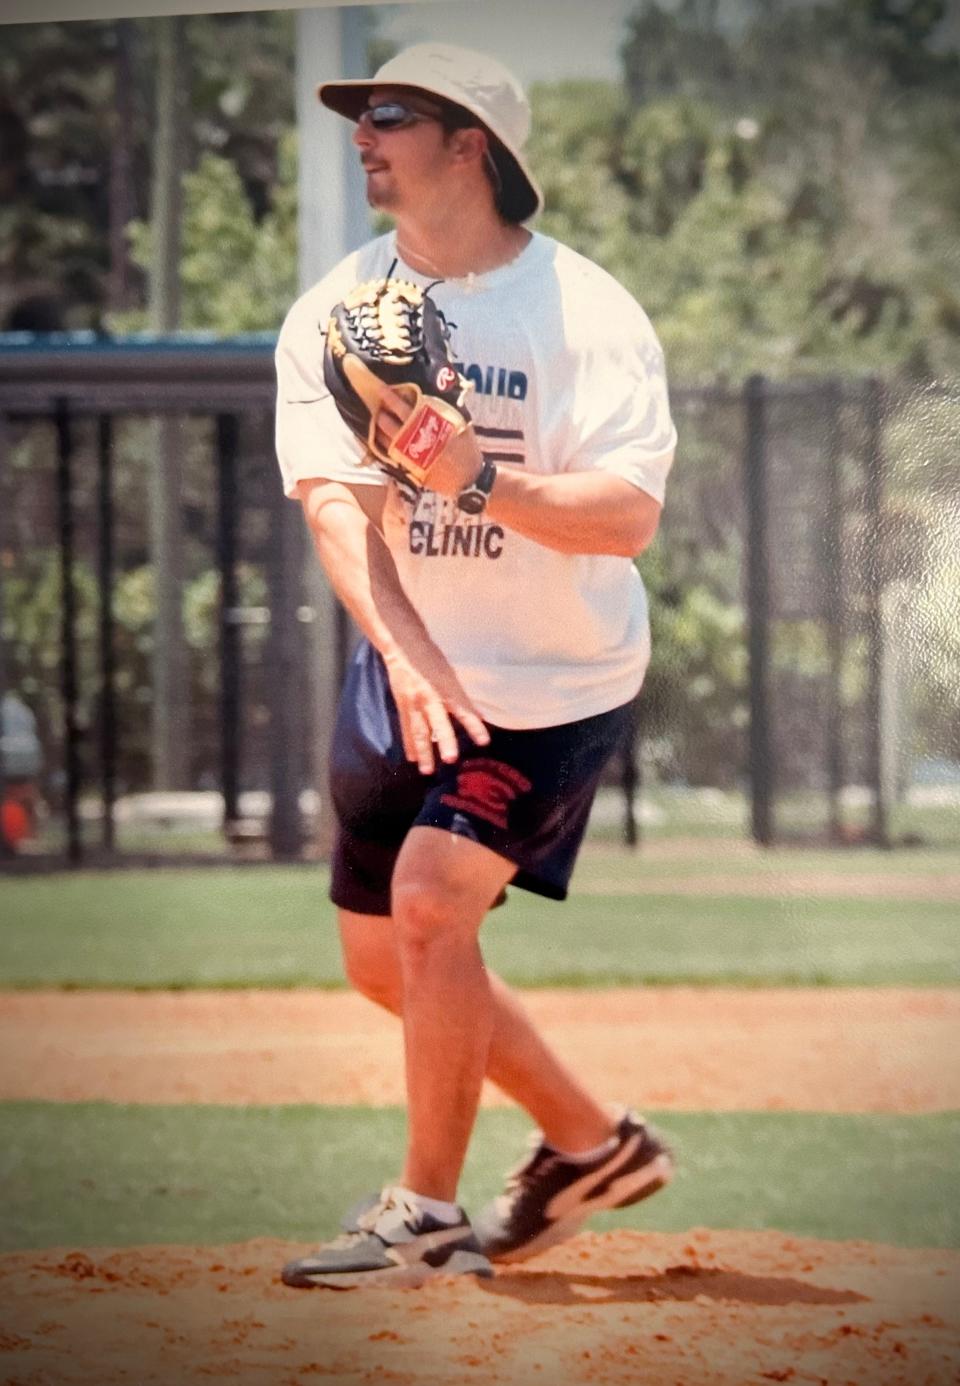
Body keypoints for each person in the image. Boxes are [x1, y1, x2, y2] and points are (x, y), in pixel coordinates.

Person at [274, 42, 678, 1290]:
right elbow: (335, 506)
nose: (362, 131)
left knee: (435, 906)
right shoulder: (337, 309)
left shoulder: (585, 312)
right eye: (358, 112)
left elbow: (626, 517)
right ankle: (589, 1145)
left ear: (474, 147)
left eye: (391, 113)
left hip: (554, 682)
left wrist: (481, 480)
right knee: (379, 955)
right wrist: (401, 651)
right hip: (403, 667)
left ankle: (428, 1213)